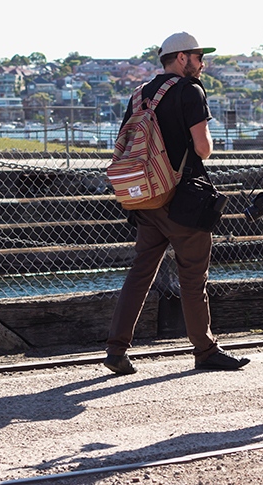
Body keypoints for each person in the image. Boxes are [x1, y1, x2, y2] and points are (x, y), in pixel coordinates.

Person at [104, 32, 250, 375]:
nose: (202, 64)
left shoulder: (140, 94)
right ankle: (205, 350)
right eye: (199, 57)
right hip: (182, 198)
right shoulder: (190, 90)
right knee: (193, 277)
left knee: (140, 272)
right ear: (181, 57)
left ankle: (116, 349)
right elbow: (203, 148)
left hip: (146, 197)